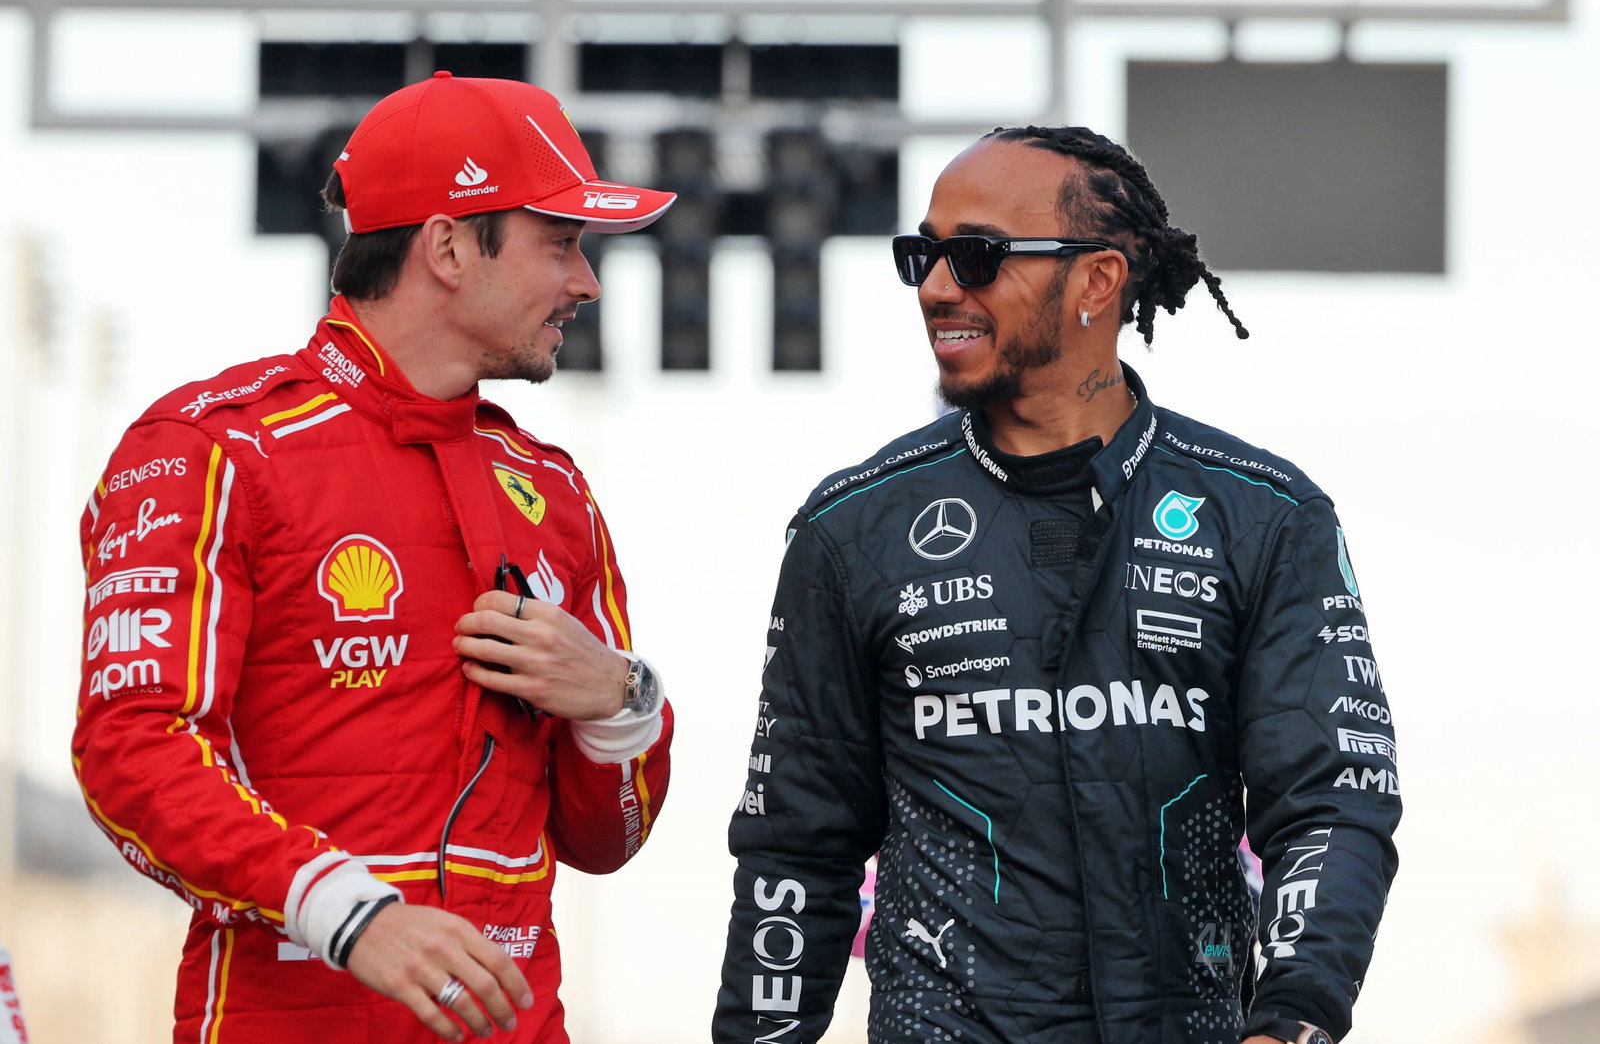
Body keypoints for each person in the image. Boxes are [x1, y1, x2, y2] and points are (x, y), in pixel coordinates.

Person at [714, 126, 1399, 1044]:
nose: (937, 287)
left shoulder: (1265, 516)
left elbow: (1332, 802)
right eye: (922, 254)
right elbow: (795, 850)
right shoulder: (851, 529)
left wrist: (1293, 1020)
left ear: (1098, 282)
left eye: (977, 255)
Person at [74, 72, 676, 1044]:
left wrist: (622, 701)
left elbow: (606, 840)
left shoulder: (554, 489)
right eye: (560, 244)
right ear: (445, 245)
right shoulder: (213, 448)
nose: (587, 281)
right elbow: (129, 751)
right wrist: (351, 914)